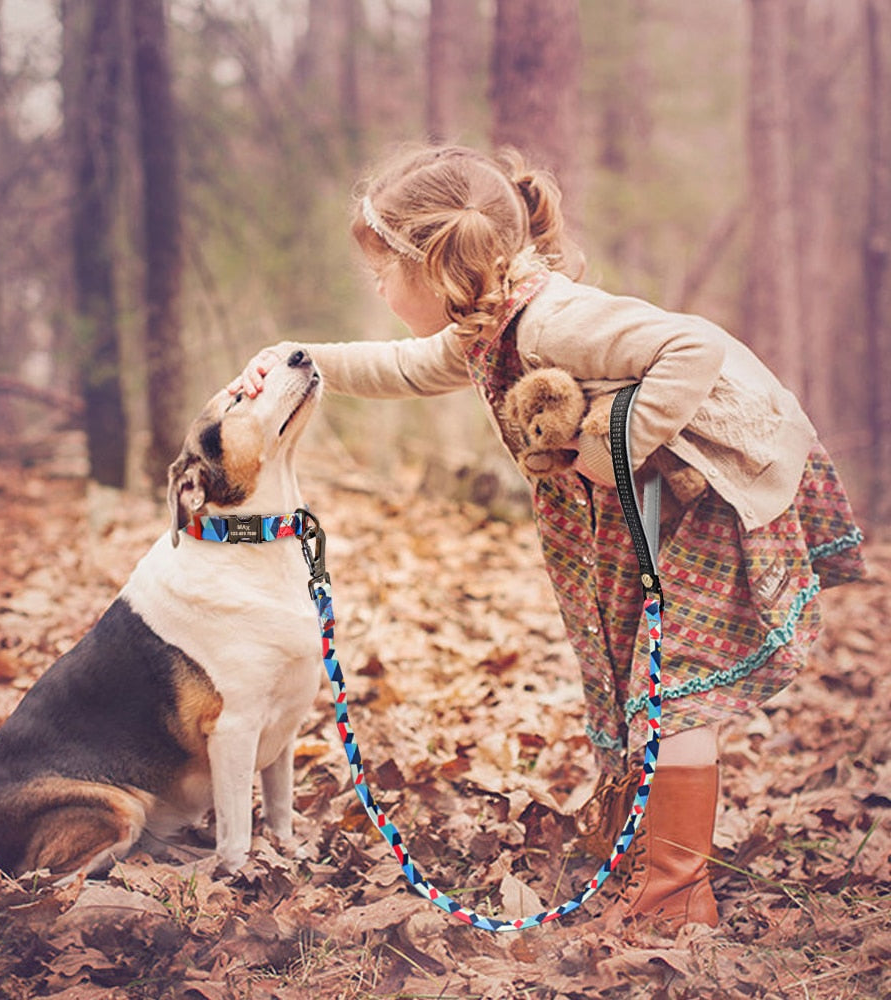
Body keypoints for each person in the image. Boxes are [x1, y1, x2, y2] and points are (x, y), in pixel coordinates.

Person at [228, 143, 866, 931]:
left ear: (435, 265)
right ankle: (648, 854)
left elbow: (691, 346)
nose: (380, 288)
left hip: (705, 504)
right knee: (644, 684)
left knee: (673, 698)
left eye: (383, 272)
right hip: (650, 516)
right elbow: (403, 366)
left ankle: (676, 895)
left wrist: (603, 444)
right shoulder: (489, 323)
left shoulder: (555, 317)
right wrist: (297, 361)